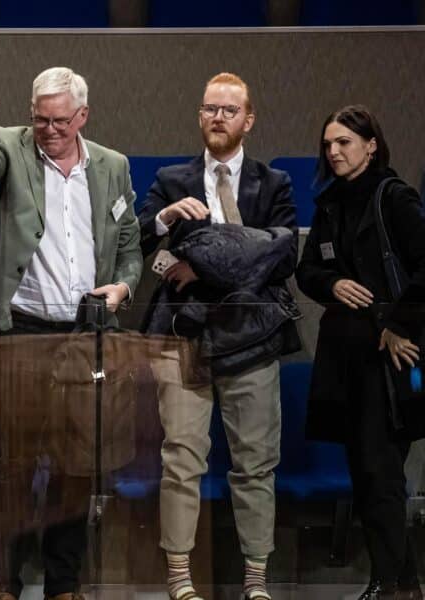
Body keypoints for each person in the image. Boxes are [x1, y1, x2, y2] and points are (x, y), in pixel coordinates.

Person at [0, 67, 142, 600]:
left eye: (61, 120)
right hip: (21, 330)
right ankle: (3, 585)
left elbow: (130, 247)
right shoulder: (10, 147)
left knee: (77, 465)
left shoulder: (113, 166)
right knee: (12, 464)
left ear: (83, 116)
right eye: (40, 119)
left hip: (86, 333)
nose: (50, 129)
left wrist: (123, 289)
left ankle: (63, 584)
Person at [137, 73, 299, 600]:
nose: (218, 118)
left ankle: (256, 580)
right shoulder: (170, 179)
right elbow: (144, 246)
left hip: (252, 340)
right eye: (210, 108)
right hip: (183, 337)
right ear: (200, 115)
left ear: (248, 119)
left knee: (255, 463)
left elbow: (284, 257)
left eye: (229, 110)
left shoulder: (273, 184)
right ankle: (180, 579)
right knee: (181, 460)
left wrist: (205, 264)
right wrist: (164, 221)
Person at [296, 105, 425, 600]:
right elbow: (308, 272)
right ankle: (402, 583)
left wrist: (395, 324)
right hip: (346, 361)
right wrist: (334, 282)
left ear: (371, 145)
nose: (333, 152)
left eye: (344, 142)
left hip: (390, 360)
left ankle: (390, 584)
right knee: (366, 473)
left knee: (381, 474)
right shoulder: (329, 202)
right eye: (327, 144)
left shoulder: (394, 197)